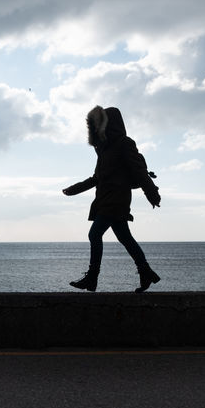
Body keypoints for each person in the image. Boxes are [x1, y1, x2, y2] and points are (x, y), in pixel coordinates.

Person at [63, 105, 161, 292]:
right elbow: (96, 178)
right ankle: (146, 272)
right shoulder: (103, 150)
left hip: (117, 200)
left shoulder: (125, 143)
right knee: (125, 238)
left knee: (94, 234)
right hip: (104, 199)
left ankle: (92, 278)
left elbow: (139, 172)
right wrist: (74, 189)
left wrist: (152, 193)